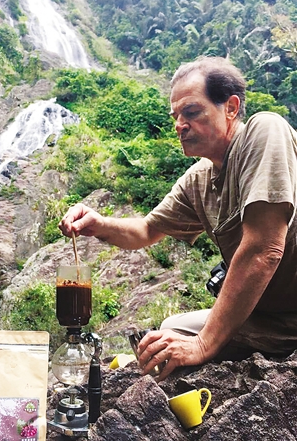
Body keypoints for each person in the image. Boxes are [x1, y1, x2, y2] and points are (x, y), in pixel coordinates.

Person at [59, 56, 297, 381]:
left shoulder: (264, 132)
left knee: (191, 344)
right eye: (176, 116)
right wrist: (98, 224)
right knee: (169, 334)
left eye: (192, 112)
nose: (179, 125)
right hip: (267, 319)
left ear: (230, 107)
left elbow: (264, 249)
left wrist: (203, 344)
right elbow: (145, 230)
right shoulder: (198, 181)